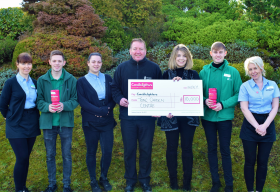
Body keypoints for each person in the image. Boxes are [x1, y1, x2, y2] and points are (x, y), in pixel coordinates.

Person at [111, 38, 162, 192]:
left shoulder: (154, 68)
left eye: (140, 49)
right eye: (135, 49)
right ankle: (130, 180)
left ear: (145, 51)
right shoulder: (121, 68)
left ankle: (145, 180)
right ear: (130, 51)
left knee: (146, 149)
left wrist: (158, 108)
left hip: (148, 119)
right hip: (128, 118)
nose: (138, 51)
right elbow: (114, 88)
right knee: (129, 149)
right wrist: (120, 99)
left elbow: (161, 90)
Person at [199, 42, 242, 192]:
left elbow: (238, 94)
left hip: (224, 117)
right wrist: (205, 100)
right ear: (210, 53)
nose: (218, 55)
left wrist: (223, 105)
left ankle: (229, 184)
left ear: (225, 53)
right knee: (211, 149)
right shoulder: (203, 72)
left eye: (220, 52)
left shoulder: (233, 72)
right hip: (208, 118)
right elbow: (197, 92)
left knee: (225, 150)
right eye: (215, 52)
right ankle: (215, 183)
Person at [157, 44, 199, 191]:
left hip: (188, 118)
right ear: (174, 57)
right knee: (171, 148)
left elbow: (197, 97)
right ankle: (173, 181)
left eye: (184, 55)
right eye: (178, 55)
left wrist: (184, 85)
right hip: (171, 117)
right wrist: (164, 111)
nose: (181, 58)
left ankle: (187, 182)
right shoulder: (166, 74)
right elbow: (161, 97)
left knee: (187, 149)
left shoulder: (194, 74)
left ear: (188, 58)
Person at [37, 50, 79, 192]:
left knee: (66, 155)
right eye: (54, 61)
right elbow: (38, 101)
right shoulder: (42, 80)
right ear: (49, 62)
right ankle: (52, 184)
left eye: (59, 61)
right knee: (50, 155)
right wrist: (47, 106)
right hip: (48, 124)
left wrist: (64, 105)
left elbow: (75, 100)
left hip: (65, 123)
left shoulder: (71, 79)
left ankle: (66, 185)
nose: (56, 63)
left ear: (64, 63)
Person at [0, 53, 41, 192]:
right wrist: (8, 118)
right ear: (17, 64)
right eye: (23, 63)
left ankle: (23, 187)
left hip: (32, 121)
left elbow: (38, 102)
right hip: (16, 124)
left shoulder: (35, 83)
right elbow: (2, 104)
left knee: (26, 158)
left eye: (29, 63)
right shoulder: (11, 83)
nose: (26, 66)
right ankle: (19, 189)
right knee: (22, 156)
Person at [238, 56, 279, 192]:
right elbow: (244, 108)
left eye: (255, 68)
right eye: (250, 69)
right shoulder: (245, 86)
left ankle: (259, 190)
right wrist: (257, 126)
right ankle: (250, 190)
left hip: (267, 124)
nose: (253, 71)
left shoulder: (272, 85)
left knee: (262, 162)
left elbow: (275, 108)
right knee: (249, 162)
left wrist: (265, 126)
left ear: (261, 68)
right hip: (250, 125)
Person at [77, 52, 116, 192]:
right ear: (88, 63)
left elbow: (114, 97)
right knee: (91, 151)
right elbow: (83, 102)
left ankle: (103, 177)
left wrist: (108, 108)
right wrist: (100, 111)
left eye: (99, 62)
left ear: (101, 63)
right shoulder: (81, 81)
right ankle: (93, 180)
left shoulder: (108, 78)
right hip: (90, 122)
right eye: (93, 61)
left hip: (107, 121)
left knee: (107, 151)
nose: (96, 64)